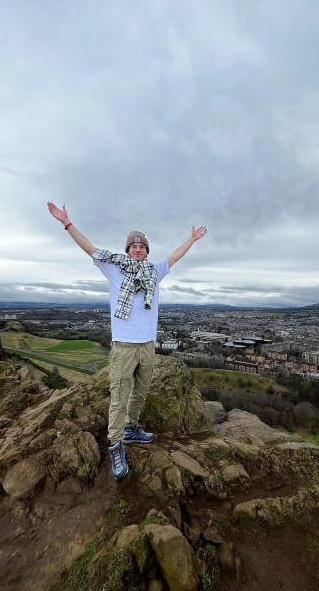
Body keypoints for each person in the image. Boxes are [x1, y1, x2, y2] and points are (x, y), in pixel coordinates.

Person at [47, 202, 207, 480]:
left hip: (147, 344)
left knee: (140, 393)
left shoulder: (155, 272)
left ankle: (131, 429)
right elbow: (89, 248)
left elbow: (174, 257)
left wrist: (191, 240)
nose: (138, 249)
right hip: (123, 344)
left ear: (147, 251)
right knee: (119, 398)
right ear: (127, 250)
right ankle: (116, 445)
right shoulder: (115, 269)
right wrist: (67, 222)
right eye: (133, 246)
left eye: (142, 246)